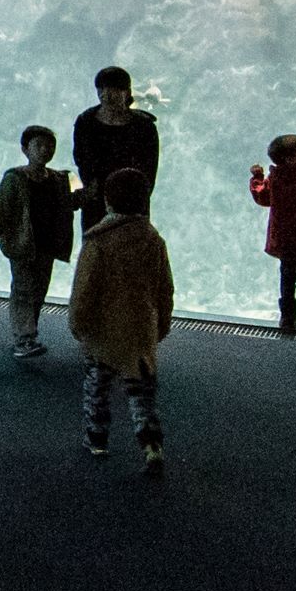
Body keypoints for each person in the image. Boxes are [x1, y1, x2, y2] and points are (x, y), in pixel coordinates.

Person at [67, 165, 176, 474]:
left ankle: (97, 439)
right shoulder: (154, 239)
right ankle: (151, 445)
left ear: (106, 201)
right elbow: (164, 287)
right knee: (142, 393)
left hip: (103, 332)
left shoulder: (98, 241)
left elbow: (84, 288)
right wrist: (162, 323)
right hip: (141, 329)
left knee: (97, 388)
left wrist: (78, 324)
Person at [0, 124, 77, 361]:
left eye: (50, 146)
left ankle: (28, 336)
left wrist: (87, 195)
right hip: (22, 245)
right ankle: (23, 338)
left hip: (47, 246)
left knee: (38, 292)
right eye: (39, 145)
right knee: (23, 291)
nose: (46, 150)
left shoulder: (58, 179)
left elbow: (67, 204)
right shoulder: (14, 179)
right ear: (25, 149)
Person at [251, 133, 296, 339]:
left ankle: (287, 321)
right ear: (294, 157)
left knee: (287, 280)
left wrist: (257, 177)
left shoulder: (275, 179)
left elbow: (262, 197)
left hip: (285, 241)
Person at [71, 67, 160, 233]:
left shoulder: (144, 126)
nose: (105, 95)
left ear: (126, 92)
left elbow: (149, 169)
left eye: (111, 89)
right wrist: (94, 189)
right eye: (101, 89)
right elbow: (80, 159)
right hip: (96, 200)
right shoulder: (86, 122)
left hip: (133, 204)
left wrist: (137, 198)